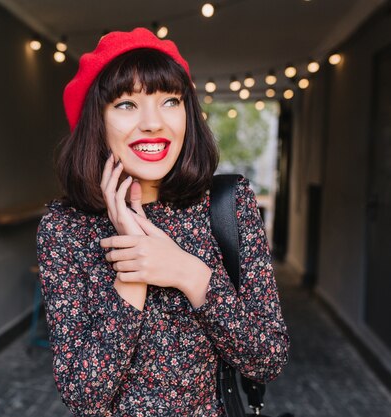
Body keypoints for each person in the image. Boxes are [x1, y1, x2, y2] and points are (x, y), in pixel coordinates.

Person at [36, 27, 289, 417]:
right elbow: (84, 397)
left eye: (170, 101)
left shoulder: (227, 205)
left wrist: (189, 273)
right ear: (96, 122)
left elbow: (267, 360)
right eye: (126, 104)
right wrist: (132, 273)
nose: (154, 123)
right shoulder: (65, 227)